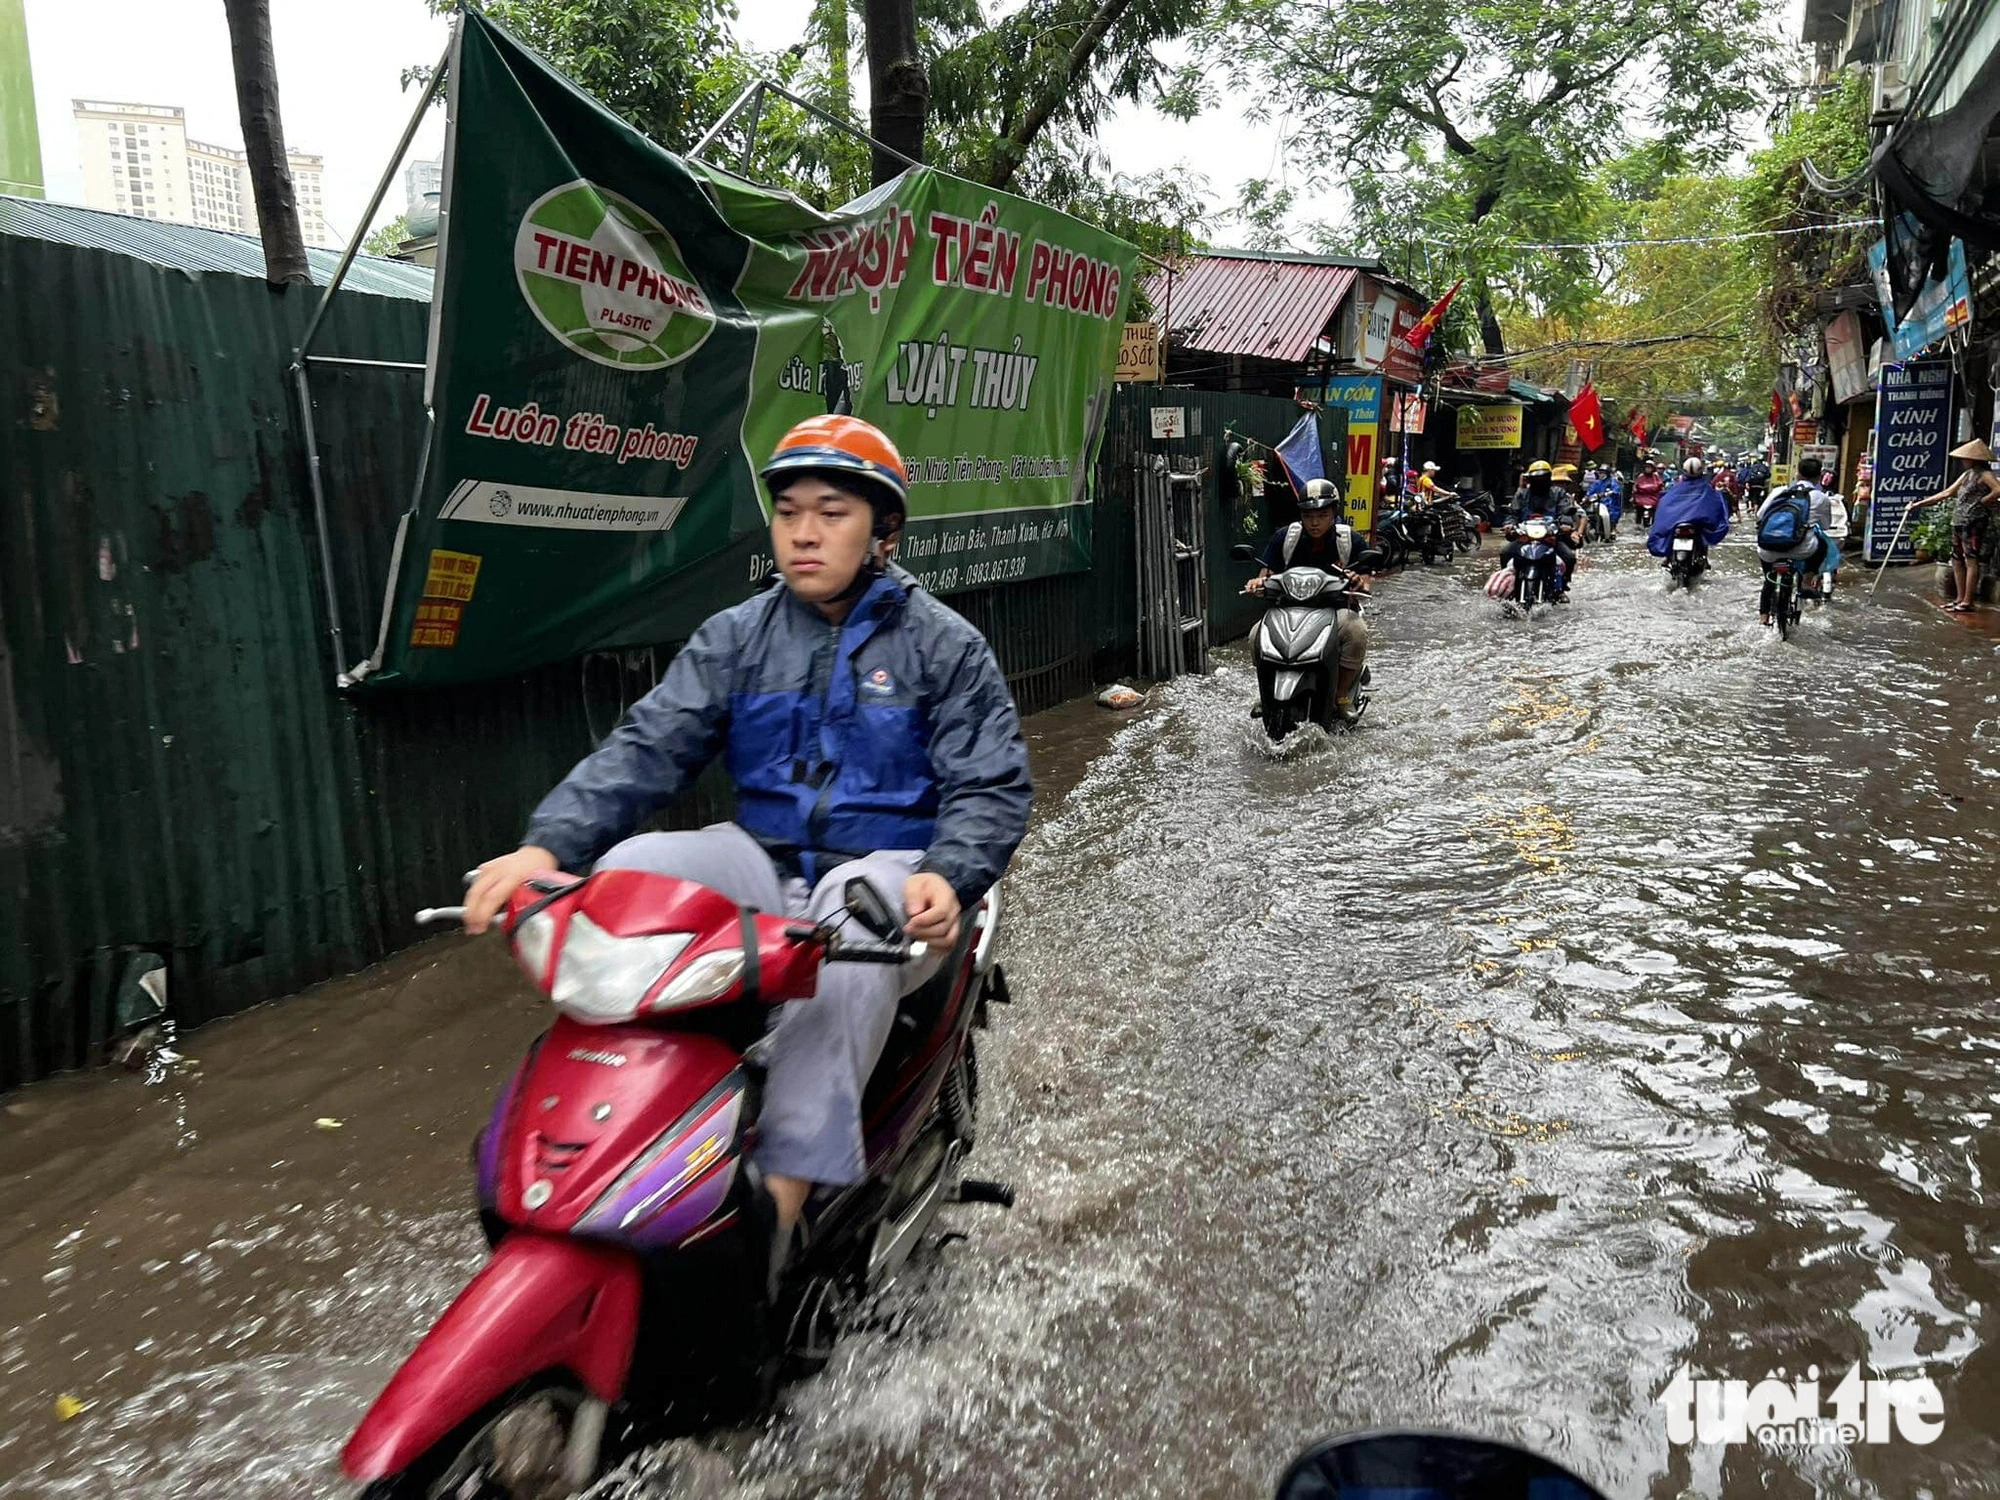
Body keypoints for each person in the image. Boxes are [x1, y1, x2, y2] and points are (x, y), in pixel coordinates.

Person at [460, 413, 1032, 1256]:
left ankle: (780, 1207)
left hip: (895, 882)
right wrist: (546, 851)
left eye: (831, 512)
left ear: (884, 529)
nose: (804, 532)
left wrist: (949, 873)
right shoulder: (737, 638)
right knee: (629, 873)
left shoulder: (943, 646)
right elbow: (648, 748)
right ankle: (638, 1140)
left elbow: (990, 784)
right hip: (766, 867)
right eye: (789, 510)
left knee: (852, 909)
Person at [1246, 477, 1371, 708]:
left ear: (1333, 513)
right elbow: (1266, 574)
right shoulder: (1285, 538)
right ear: (1301, 515)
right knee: (1256, 635)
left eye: (1322, 516)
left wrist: (1357, 582)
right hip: (1288, 611)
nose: (1314, 523)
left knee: (1357, 630)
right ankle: (1266, 692)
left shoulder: (1349, 540)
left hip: (1335, 612)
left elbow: (1365, 581)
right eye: (1308, 516)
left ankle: (1340, 694)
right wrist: (1257, 583)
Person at [1908, 439, 2000, 612]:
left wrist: (1984, 501)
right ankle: (1959, 598)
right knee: (1957, 560)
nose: (1963, 461)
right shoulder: (1967, 475)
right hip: (1958, 520)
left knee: (1971, 560)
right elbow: (1947, 493)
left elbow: (1998, 490)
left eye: (1966, 458)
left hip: (1974, 521)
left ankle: (1967, 600)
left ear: (1974, 459)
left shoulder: (1984, 475)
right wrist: (1918, 504)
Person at [1753, 456, 1839, 625]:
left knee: (1769, 578)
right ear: (1818, 476)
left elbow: (1759, 516)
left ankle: (1763, 617)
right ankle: (1807, 580)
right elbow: (1826, 525)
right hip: (1802, 549)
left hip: (1769, 549)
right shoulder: (1820, 497)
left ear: (1797, 473)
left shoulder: (1779, 491)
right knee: (1822, 544)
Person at [1500, 460, 1578, 597]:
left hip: (1551, 537)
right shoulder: (1521, 494)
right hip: (1525, 537)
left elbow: (1565, 511)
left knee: (1569, 557)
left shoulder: (1558, 493)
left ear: (1548, 478)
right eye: (1536, 479)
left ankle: (1562, 587)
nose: (1539, 482)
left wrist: (1565, 524)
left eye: (1542, 479)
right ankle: (1510, 584)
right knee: (1505, 553)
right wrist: (1509, 525)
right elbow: (1513, 513)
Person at [1648, 455, 1732, 567]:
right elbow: (1716, 507)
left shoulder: (1676, 488)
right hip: (1696, 524)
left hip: (1678, 523)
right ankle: (1702, 558)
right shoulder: (1707, 489)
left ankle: (1668, 557)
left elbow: (1665, 506)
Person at [1631, 459, 1665, 527]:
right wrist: (1635, 491)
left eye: (1649, 467)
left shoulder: (1656, 477)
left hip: (1653, 498)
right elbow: (1636, 486)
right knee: (1638, 509)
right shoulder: (1641, 476)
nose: (1648, 469)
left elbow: (1660, 486)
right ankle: (1638, 521)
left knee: (1656, 510)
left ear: (1653, 468)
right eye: (1646, 467)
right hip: (1641, 498)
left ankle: (1654, 523)